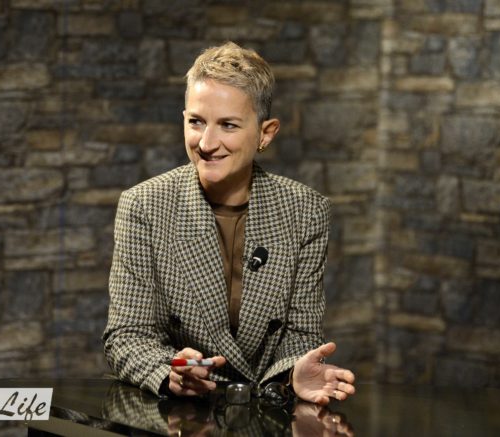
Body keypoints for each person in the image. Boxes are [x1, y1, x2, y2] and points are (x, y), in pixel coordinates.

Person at [102, 42, 355, 405]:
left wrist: (291, 372)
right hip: (179, 414)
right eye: (196, 122)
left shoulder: (305, 212)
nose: (206, 143)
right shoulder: (144, 206)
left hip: (263, 413)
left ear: (266, 133)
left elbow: (301, 334)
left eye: (228, 125)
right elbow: (127, 335)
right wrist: (170, 370)